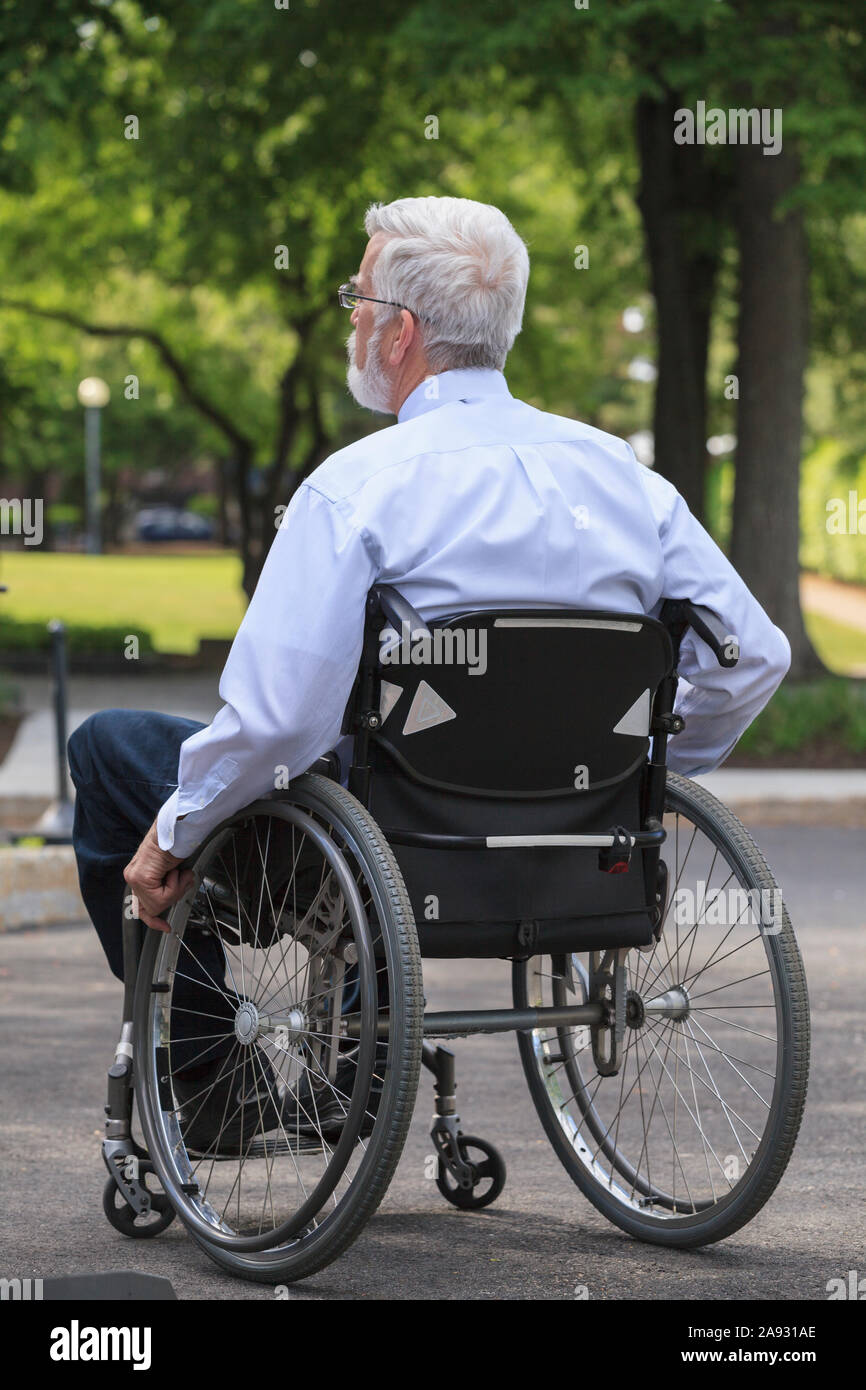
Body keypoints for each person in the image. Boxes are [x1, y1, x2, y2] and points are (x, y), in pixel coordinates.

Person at [69, 194, 790, 1152]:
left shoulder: (357, 488)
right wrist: (638, 777)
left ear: (400, 332)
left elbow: (278, 722)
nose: (352, 320)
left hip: (380, 855)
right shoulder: (625, 480)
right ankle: (350, 1064)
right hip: (580, 848)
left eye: (356, 300)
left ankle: (209, 1078)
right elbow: (756, 654)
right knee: (369, 750)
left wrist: (175, 830)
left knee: (109, 750)